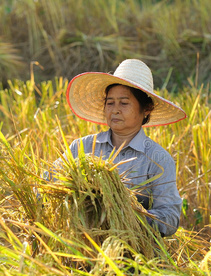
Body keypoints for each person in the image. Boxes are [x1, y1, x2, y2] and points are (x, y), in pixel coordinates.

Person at [50, 59, 186, 237]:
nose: (115, 110)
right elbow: (49, 182)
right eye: (110, 103)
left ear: (146, 109)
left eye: (124, 103)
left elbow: (169, 217)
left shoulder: (158, 159)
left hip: (135, 255)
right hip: (82, 250)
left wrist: (128, 217)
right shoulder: (82, 148)